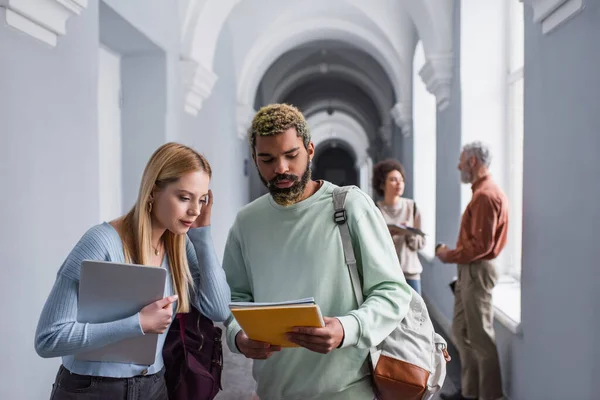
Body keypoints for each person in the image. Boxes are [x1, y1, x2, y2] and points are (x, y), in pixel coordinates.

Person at [223, 103, 412, 400]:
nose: (281, 168)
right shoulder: (246, 222)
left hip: (347, 391)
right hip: (273, 390)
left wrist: (347, 328)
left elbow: (393, 291)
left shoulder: (351, 206)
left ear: (310, 150)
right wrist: (238, 336)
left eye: (291, 155)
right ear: (255, 160)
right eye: (267, 159)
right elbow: (235, 298)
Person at [35, 143, 231, 399]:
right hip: (93, 389)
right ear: (152, 192)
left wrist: (202, 236)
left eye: (202, 200)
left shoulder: (180, 246)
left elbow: (219, 309)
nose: (195, 211)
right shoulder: (101, 242)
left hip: (154, 386)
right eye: (184, 198)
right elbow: (48, 339)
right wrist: (138, 324)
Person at [436, 141, 508, 400]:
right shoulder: (480, 193)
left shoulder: (486, 196)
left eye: (461, 161)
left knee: (481, 338)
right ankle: (470, 391)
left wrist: (447, 255)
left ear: (473, 162)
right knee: (460, 330)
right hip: (469, 269)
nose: (458, 166)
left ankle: (489, 396)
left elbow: (480, 246)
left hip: (477, 270)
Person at [372, 159, 426, 294]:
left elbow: (421, 244)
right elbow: (370, 243)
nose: (399, 184)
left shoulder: (412, 207)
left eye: (401, 180)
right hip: (386, 275)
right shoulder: (375, 209)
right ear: (382, 184)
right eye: (393, 180)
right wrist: (388, 234)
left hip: (410, 273)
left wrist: (409, 234)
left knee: (415, 314)